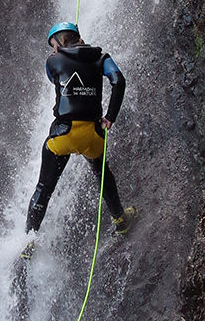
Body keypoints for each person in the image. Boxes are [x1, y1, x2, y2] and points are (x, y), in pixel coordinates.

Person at [25, 22, 135, 236]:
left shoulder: (53, 61)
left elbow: (53, 77)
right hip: (93, 135)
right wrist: (110, 117)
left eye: (53, 44)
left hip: (63, 135)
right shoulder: (101, 57)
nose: (53, 49)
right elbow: (118, 81)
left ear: (59, 41)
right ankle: (120, 220)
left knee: (43, 188)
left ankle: (29, 240)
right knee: (104, 175)